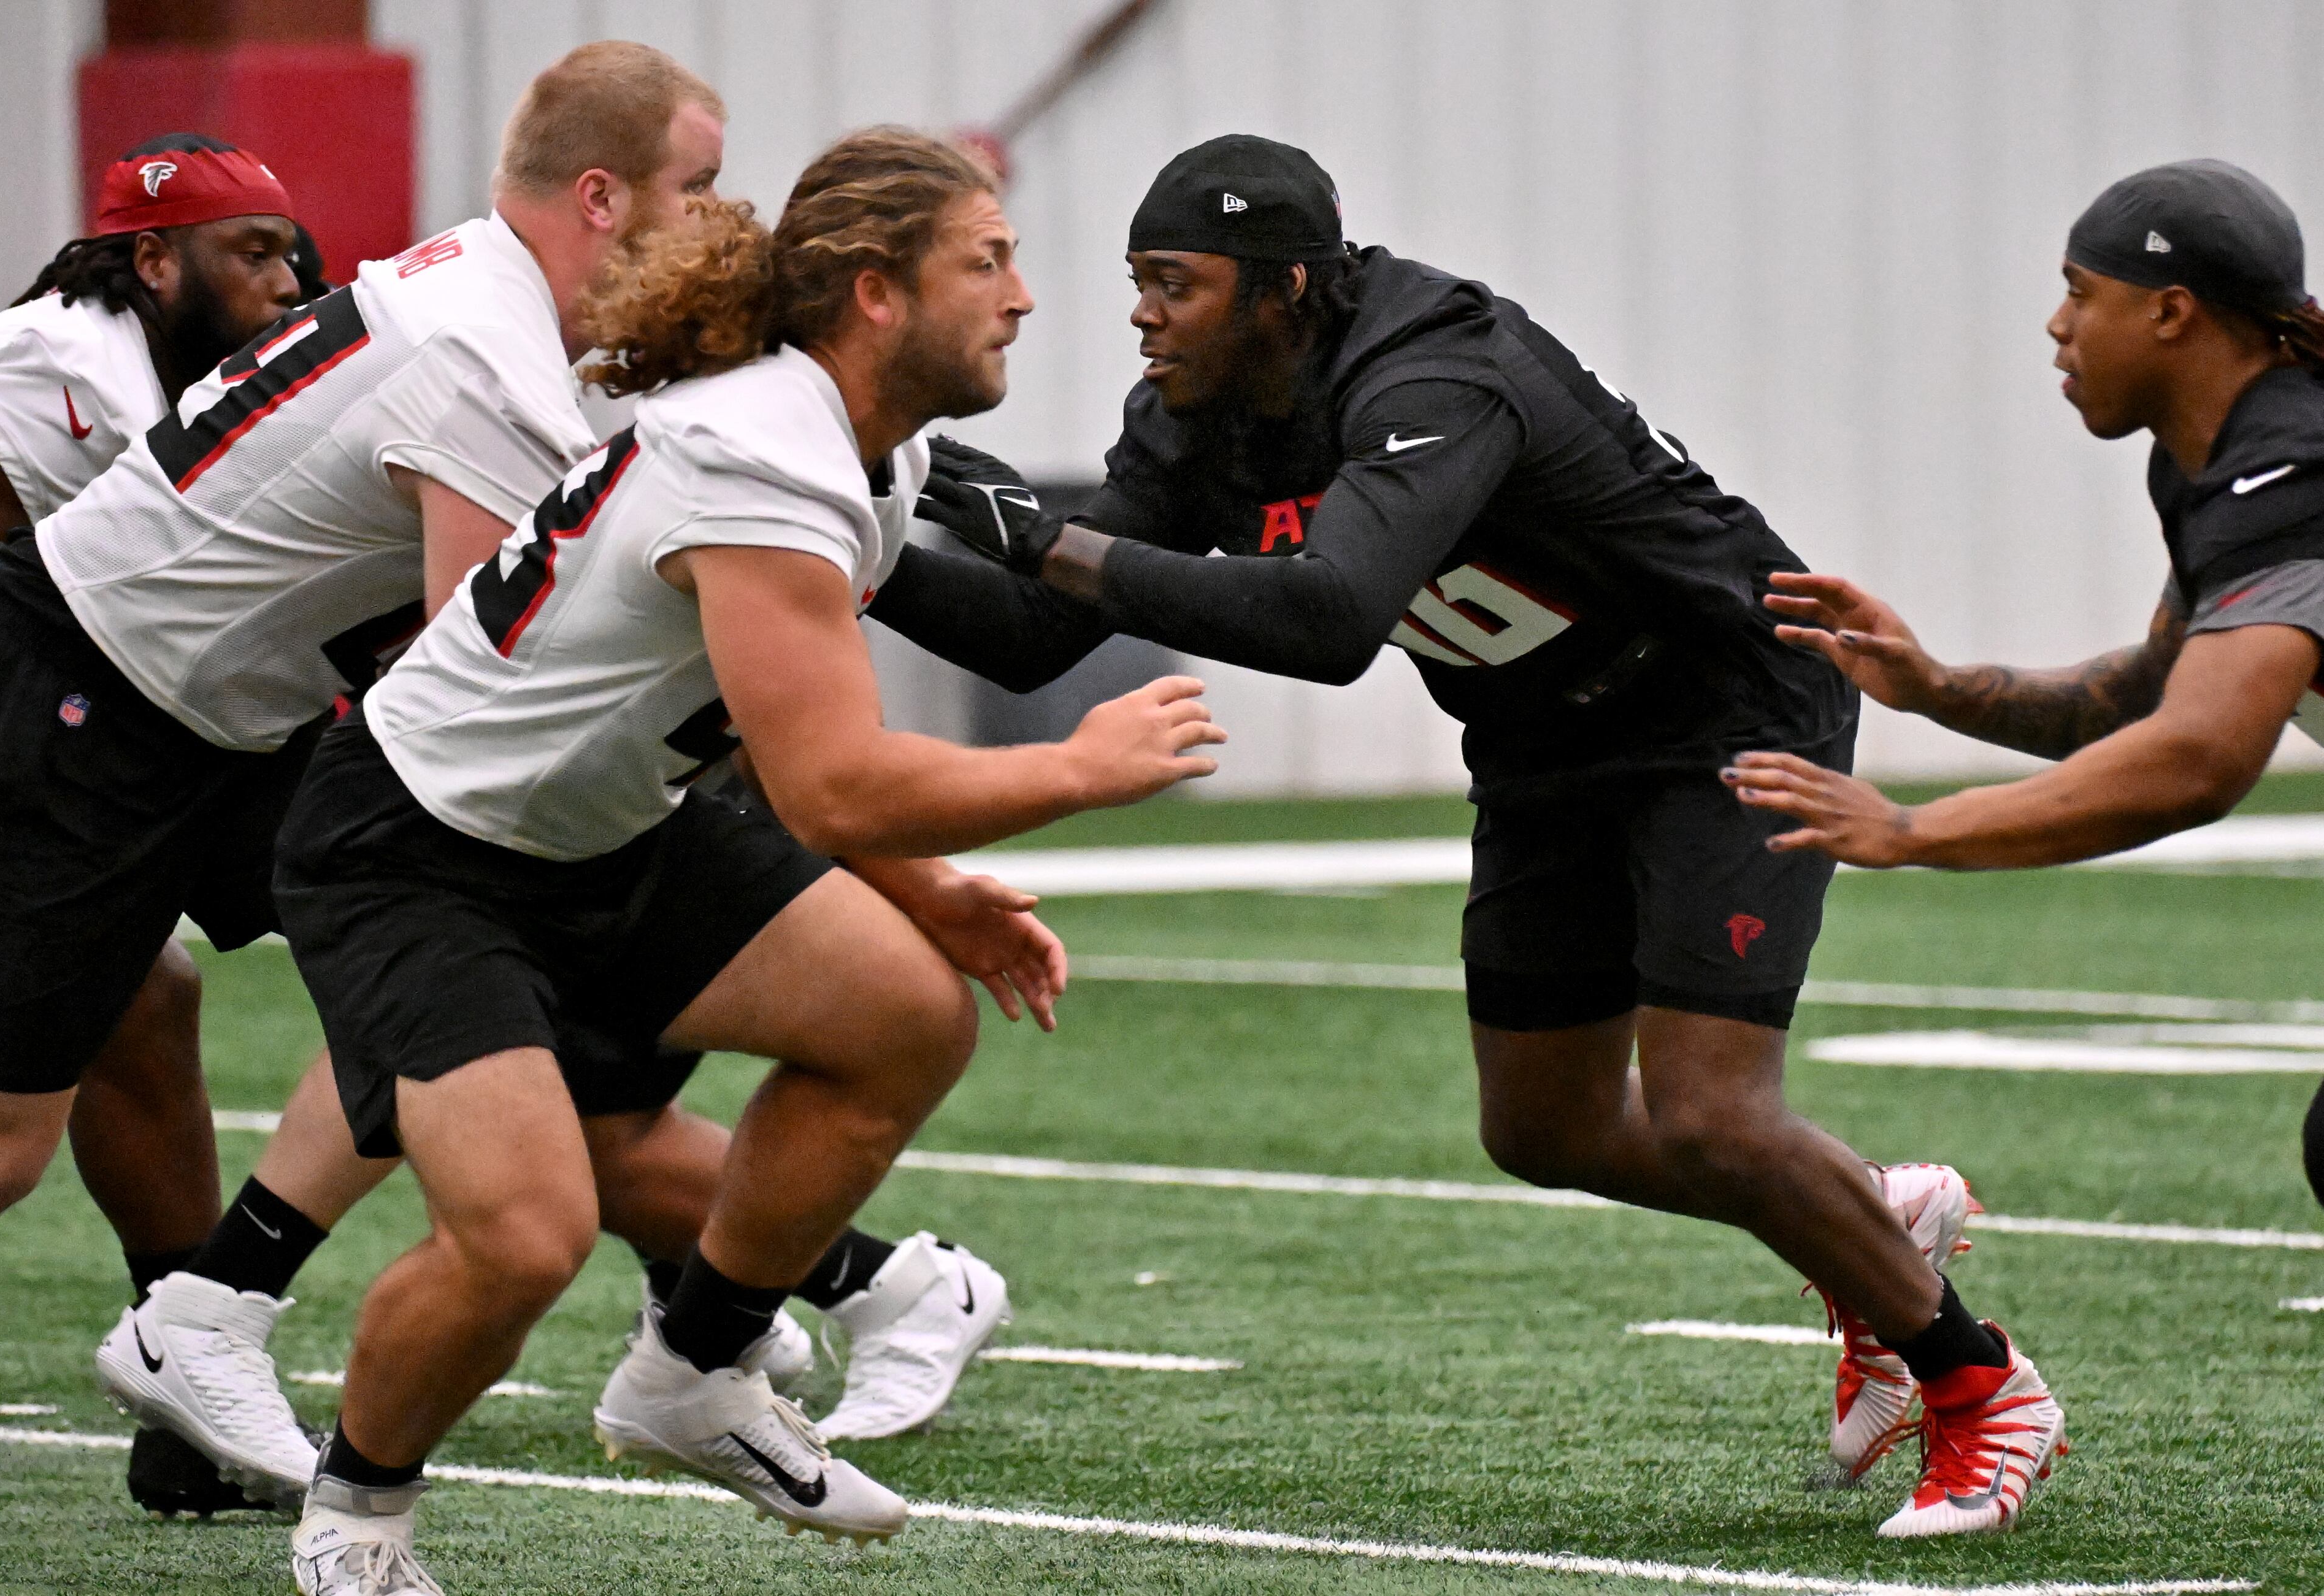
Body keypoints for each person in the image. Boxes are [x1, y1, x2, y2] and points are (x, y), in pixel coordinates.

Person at [876, 132, 2063, 1538]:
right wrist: (853, 548)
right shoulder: (1197, 410)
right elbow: (1032, 643)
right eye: (1139, 282)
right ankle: (1867, 1212)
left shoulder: (1436, 367)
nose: (1142, 313)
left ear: (1286, 287)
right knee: (1543, 1124)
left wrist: (1046, 536)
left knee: (1709, 1110)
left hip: (1718, 701)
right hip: (1543, 732)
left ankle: (1982, 1382)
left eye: (1174, 282)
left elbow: (1328, 618)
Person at [261, 127, 1220, 1594]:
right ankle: (357, 1515)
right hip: (420, 846)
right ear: (874, 291)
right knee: (524, 1237)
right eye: (989, 258)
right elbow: (832, 780)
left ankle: (694, 1371)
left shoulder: (854, 446)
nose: (1024, 294)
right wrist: (1079, 770)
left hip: (608, 827)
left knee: (899, 1013)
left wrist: (938, 893)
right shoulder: (769, 452)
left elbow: (788, 735)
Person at [0, 34, 691, 1513]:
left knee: (395, 946)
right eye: (704, 187)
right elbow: (472, 670)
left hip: (205, 711)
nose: (718, 224)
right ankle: (749, 1297)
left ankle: (203, 1331)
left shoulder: (481, 300)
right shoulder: (478, 353)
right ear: (608, 198)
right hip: (90, 692)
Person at [1724, 161, 2324, 1207]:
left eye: (2082, 292)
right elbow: (2151, 694)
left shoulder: (2288, 470)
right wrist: (1938, 687)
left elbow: (2198, 757)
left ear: (2172, 311)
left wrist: (1914, 832)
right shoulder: (2213, 460)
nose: (2057, 326)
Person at [0, 132, 303, 1515]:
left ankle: (190, 1388)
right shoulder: (68, 364)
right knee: (0, 1134)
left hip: (108, 716)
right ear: (151, 261)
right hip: (35, 712)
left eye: (294, 253)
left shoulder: (168, 362)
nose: (287, 283)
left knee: (147, 1005)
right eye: (254, 253)